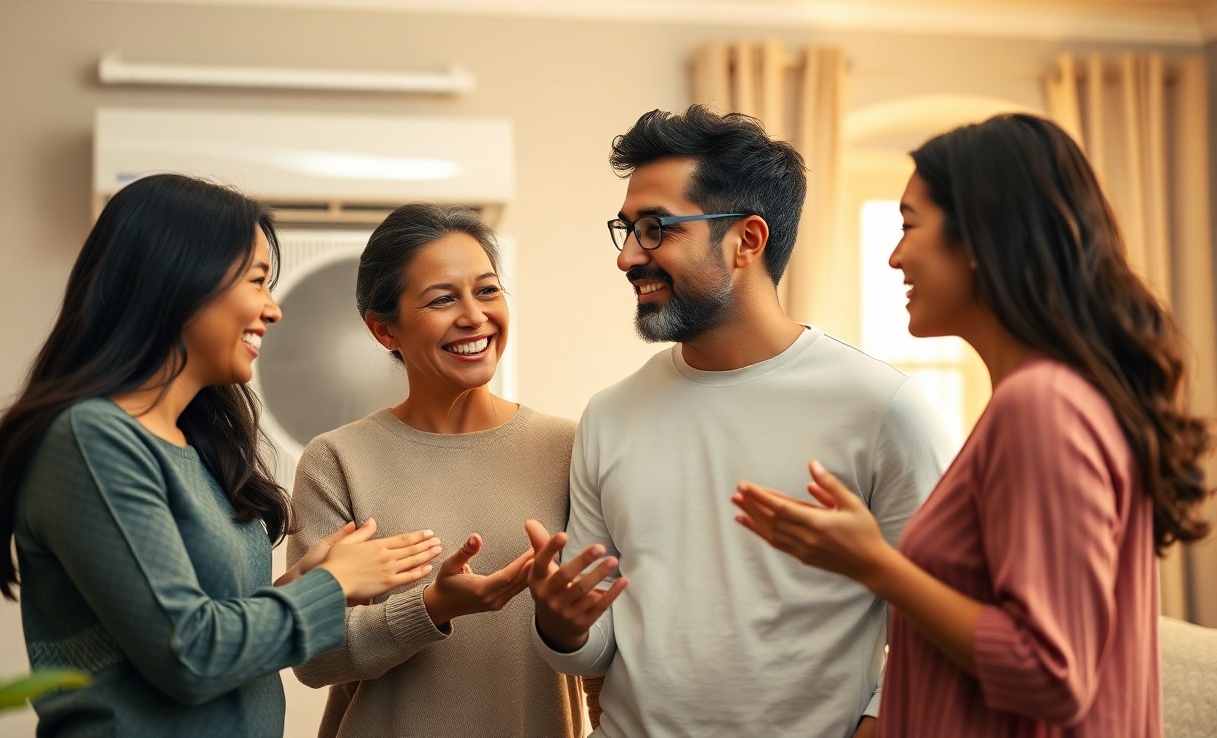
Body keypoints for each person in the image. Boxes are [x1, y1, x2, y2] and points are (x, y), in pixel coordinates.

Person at [733, 113, 1213, 737]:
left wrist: (873, 563)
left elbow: (1051, 671)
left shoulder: (1043, 407)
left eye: (910, 226)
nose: (894, 255)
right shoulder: (1041, 400)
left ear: (982, 240)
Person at [0, 173, 442, 737]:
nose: (273, 309)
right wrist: (330, 588)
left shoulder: (198, 449)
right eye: (258, 281)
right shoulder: (93, 440)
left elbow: (202, 625)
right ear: (180, 279)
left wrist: (305, 584)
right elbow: (189, 655)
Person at [525, 105, 954, 738]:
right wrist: (560, 623)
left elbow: (936, 624)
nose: (627, 258)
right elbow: (595, 650)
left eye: (656, 228)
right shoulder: (609, 416)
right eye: (626, 229)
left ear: (747, 240)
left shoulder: (882, 408)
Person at [287, 203, 593, 737]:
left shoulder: (571, 447)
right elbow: (312, 659)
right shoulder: (338, 460)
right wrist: (429, 607)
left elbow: (605, 634)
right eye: (443, 299)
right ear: (384, 330)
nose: (474, 316)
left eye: (488, 290)